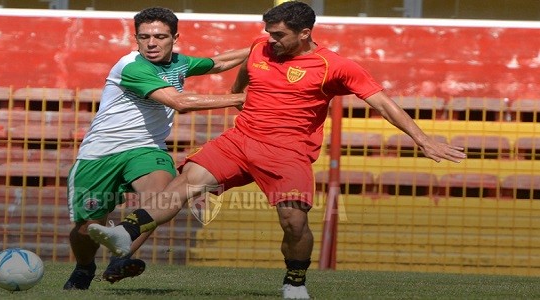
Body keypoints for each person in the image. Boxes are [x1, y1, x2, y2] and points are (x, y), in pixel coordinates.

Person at [86, 1, 467, 299]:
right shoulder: (261, 46)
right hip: (241, 139)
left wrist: (422, 139)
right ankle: (125, 233)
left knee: (294, 223)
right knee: (187, 182)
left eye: (280, 35)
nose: (271, 40)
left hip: (288, 151)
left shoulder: (335, 66)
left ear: (304, 33)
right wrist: (239, 96)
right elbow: (248, 70)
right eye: (268, 33)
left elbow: (383, 103)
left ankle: (295, 281)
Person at [63, 6, 249, 290]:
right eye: (144, 36)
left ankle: (120, 260)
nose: (151, 43)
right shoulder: (133, 66)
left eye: (160, 37)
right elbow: (180, 102)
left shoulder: (178, 62)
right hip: (99, 155)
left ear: (174, 37)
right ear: (136, 39)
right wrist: (240, 99)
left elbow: (219, 62)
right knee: (86, 228)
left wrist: (259, 48)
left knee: (161, 199)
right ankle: (84, 267)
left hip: (147, 149)